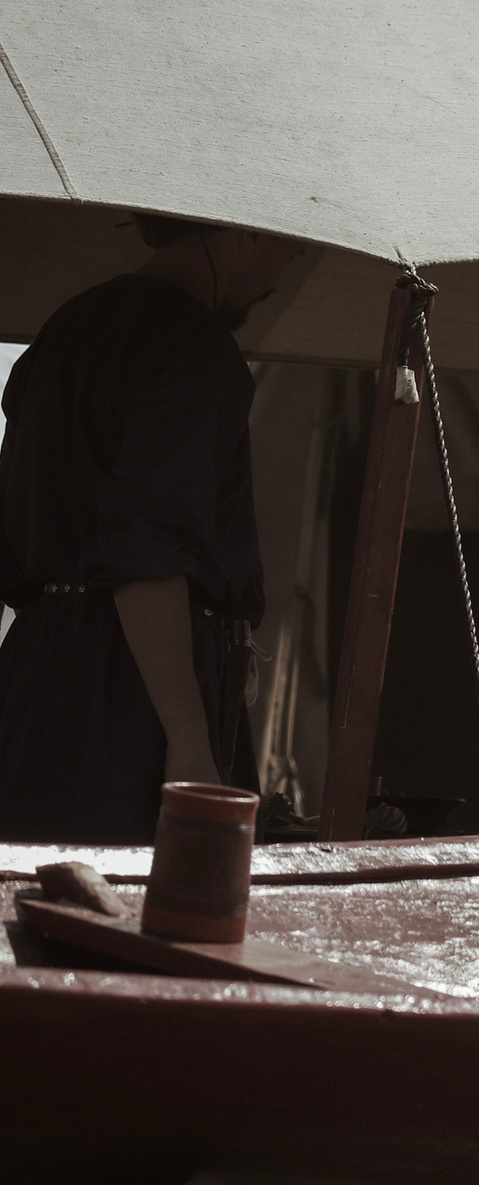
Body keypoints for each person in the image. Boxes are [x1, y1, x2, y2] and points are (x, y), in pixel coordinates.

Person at [0, 216, 309, 844]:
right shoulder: (190, 344)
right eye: (291, 246)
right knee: (144, 916)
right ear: (248, 232)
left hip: (36, 674)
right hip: (130, 692)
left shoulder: (64, 332)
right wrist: (189, 742)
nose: (283, 275)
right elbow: (148, 556)